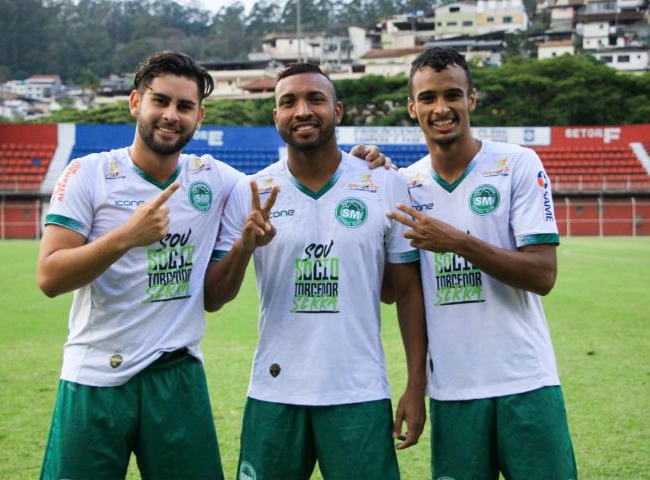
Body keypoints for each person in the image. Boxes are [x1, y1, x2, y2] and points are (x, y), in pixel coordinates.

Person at [36, 50, 388, 479]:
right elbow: (50, 276)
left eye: (184, 107)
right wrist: (127, 236)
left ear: (199, 117)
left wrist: (365, 160)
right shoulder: (88, 173)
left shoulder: (219, 181)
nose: (171, 115)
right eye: (160, 101)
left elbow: (297, 173)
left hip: (177, 374)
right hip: (94, 375)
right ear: (135, 103)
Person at [206, 63, 427, 480]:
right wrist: (242, 245)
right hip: (275, 389)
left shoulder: (384, 184)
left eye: (315, 99)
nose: (302, 110)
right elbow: (214, 298)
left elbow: (404, 292)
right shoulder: (252, 191)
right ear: (275, 117)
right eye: (288, 102)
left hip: (358, 390)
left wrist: (416, 385)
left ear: (338, 111)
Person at [387, 47, 577, 479]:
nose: (442, 108)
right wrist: (416, 387)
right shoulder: (403, 185)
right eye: (429, 98)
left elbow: (543, 275)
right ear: (412, 108)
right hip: (453, 389)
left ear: (471, 99)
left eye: (452, 95)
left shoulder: (517, 164)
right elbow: (407, 294)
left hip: (526, 381)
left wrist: (458, 242)